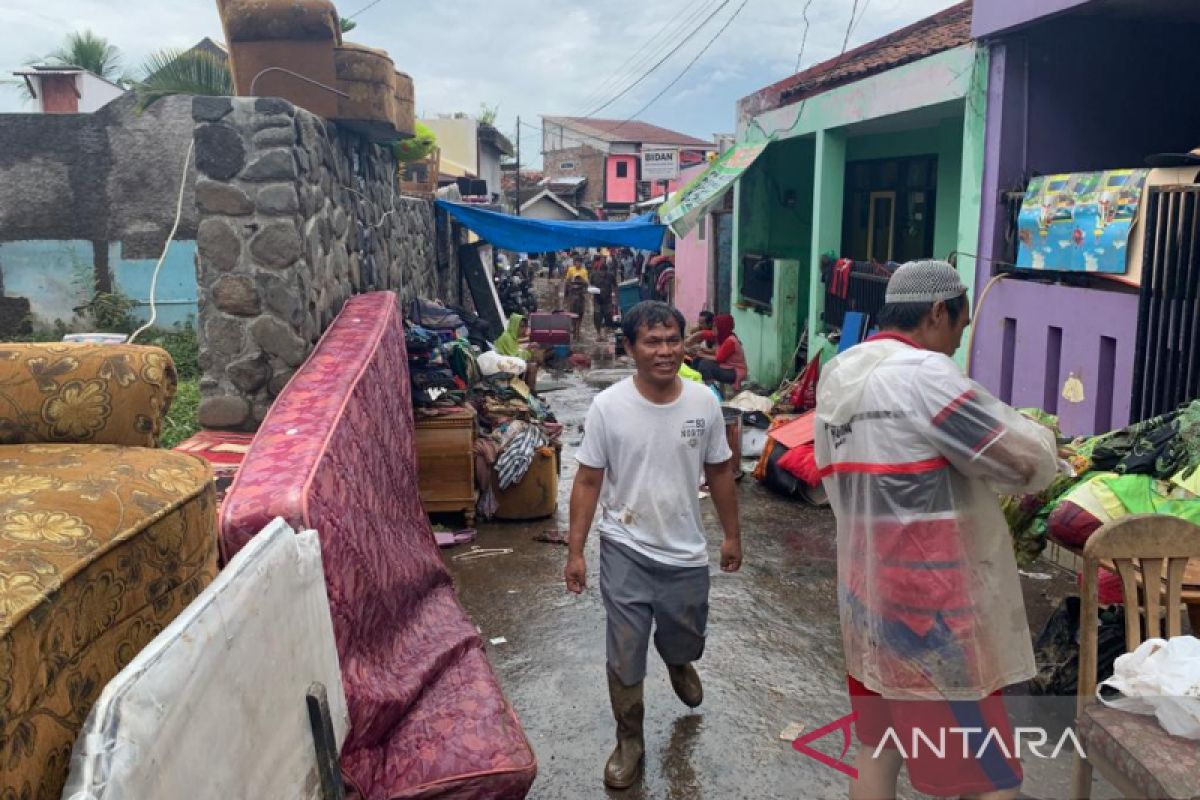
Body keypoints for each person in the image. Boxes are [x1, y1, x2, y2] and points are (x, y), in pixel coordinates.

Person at [814, 260, 1059, 800]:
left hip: (866, 596)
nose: (958, 341)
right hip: (932, 608)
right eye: (960, 326)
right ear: (937, 312)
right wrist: (1047, 444)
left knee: (878, 746)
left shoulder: (842, 373)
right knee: (993, 776)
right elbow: (1022, 461)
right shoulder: (924, 374)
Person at [566, 301, 743, 790]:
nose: (665, 351)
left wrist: (732, 534)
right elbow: (587, 481)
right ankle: (629, 740)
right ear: (630, 348)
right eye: (652, 342)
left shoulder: (703, 402)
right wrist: (575, 551)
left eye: (672, 340)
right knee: (625, 649)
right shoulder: (609, 407)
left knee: (685, 635)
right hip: (625, 545)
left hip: (685, 550)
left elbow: (719, 471)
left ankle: (678, 658)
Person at [692, 314, 746, 388]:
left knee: (704, 364)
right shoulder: (722, 336)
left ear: (722, 327)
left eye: (715, 326)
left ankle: (711, 389)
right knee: (697, 360)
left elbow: (718, 359)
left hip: (735, 371)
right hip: (727, 367)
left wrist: (701, 354)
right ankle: (695, 384)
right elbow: (704, 334)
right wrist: (700, 351)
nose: (712, 328)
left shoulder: (730, 341)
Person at [493, 312, 542, 389]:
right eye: (521, 326)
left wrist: (528, 350)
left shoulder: (512, 337)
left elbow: (515, 353)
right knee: (532, 367)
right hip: (501, 368)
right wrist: (528, 350)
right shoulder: (507, 337)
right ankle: (531, 392)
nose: (524, 329)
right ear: (514, 325)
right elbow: (514, 357)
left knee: (533, 360)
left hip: (506, 363)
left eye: (525, 326)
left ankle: (525, 389)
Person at [590, 257, 617, 340]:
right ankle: (598, 334)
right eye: (601, 272)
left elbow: (615, 286)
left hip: (607, 300)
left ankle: (605, 334)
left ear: (606, 271)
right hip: (597, 300)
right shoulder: (594, 275)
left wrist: (615, 297)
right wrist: (592, 293)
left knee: (608, 317)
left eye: (605, 272)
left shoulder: (610, 276)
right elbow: (590, 286)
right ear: (599, 271)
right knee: (597, 318)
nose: (603, 274)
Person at [563, 258, 590, 338]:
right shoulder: (571, 269)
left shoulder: (584, 271)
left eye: (579, 262)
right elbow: (567, 281)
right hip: (572, 294)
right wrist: (566, 296)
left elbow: (586, 283)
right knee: (572, 312)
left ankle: (578, 329)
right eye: (577, 262)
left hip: (581, 295)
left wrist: (582, 281)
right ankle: (574, 328)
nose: (578, 264)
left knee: (581, 312)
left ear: (581, 263)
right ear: (574, 262)